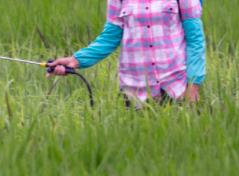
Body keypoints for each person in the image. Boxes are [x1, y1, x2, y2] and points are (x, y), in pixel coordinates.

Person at [48, 0, 205, 107]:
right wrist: (75, 60)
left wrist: (193, 87)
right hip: (134, 94)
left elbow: (195, 40)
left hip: (175, 89)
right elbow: (110, 37)